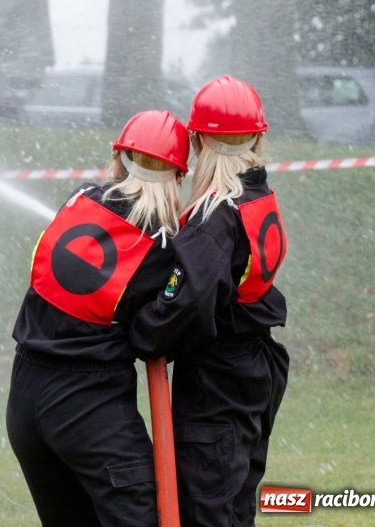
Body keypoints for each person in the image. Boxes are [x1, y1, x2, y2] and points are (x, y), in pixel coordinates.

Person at [6, 110, 190, 527]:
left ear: (120, 158)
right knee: (141, 515)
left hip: (24, 396)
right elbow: (161, 330)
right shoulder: (161, 246)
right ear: (178, 177)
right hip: (87, 403)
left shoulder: (82, 198)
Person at [129, 75, 290, 526]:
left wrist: (138, 330)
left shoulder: (214, 218)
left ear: (197, 141)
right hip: (257, 369)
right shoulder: (257, 195)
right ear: (259, 137)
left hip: (217, 386)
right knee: (235, 503)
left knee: (206, 509)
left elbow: (187, 303)